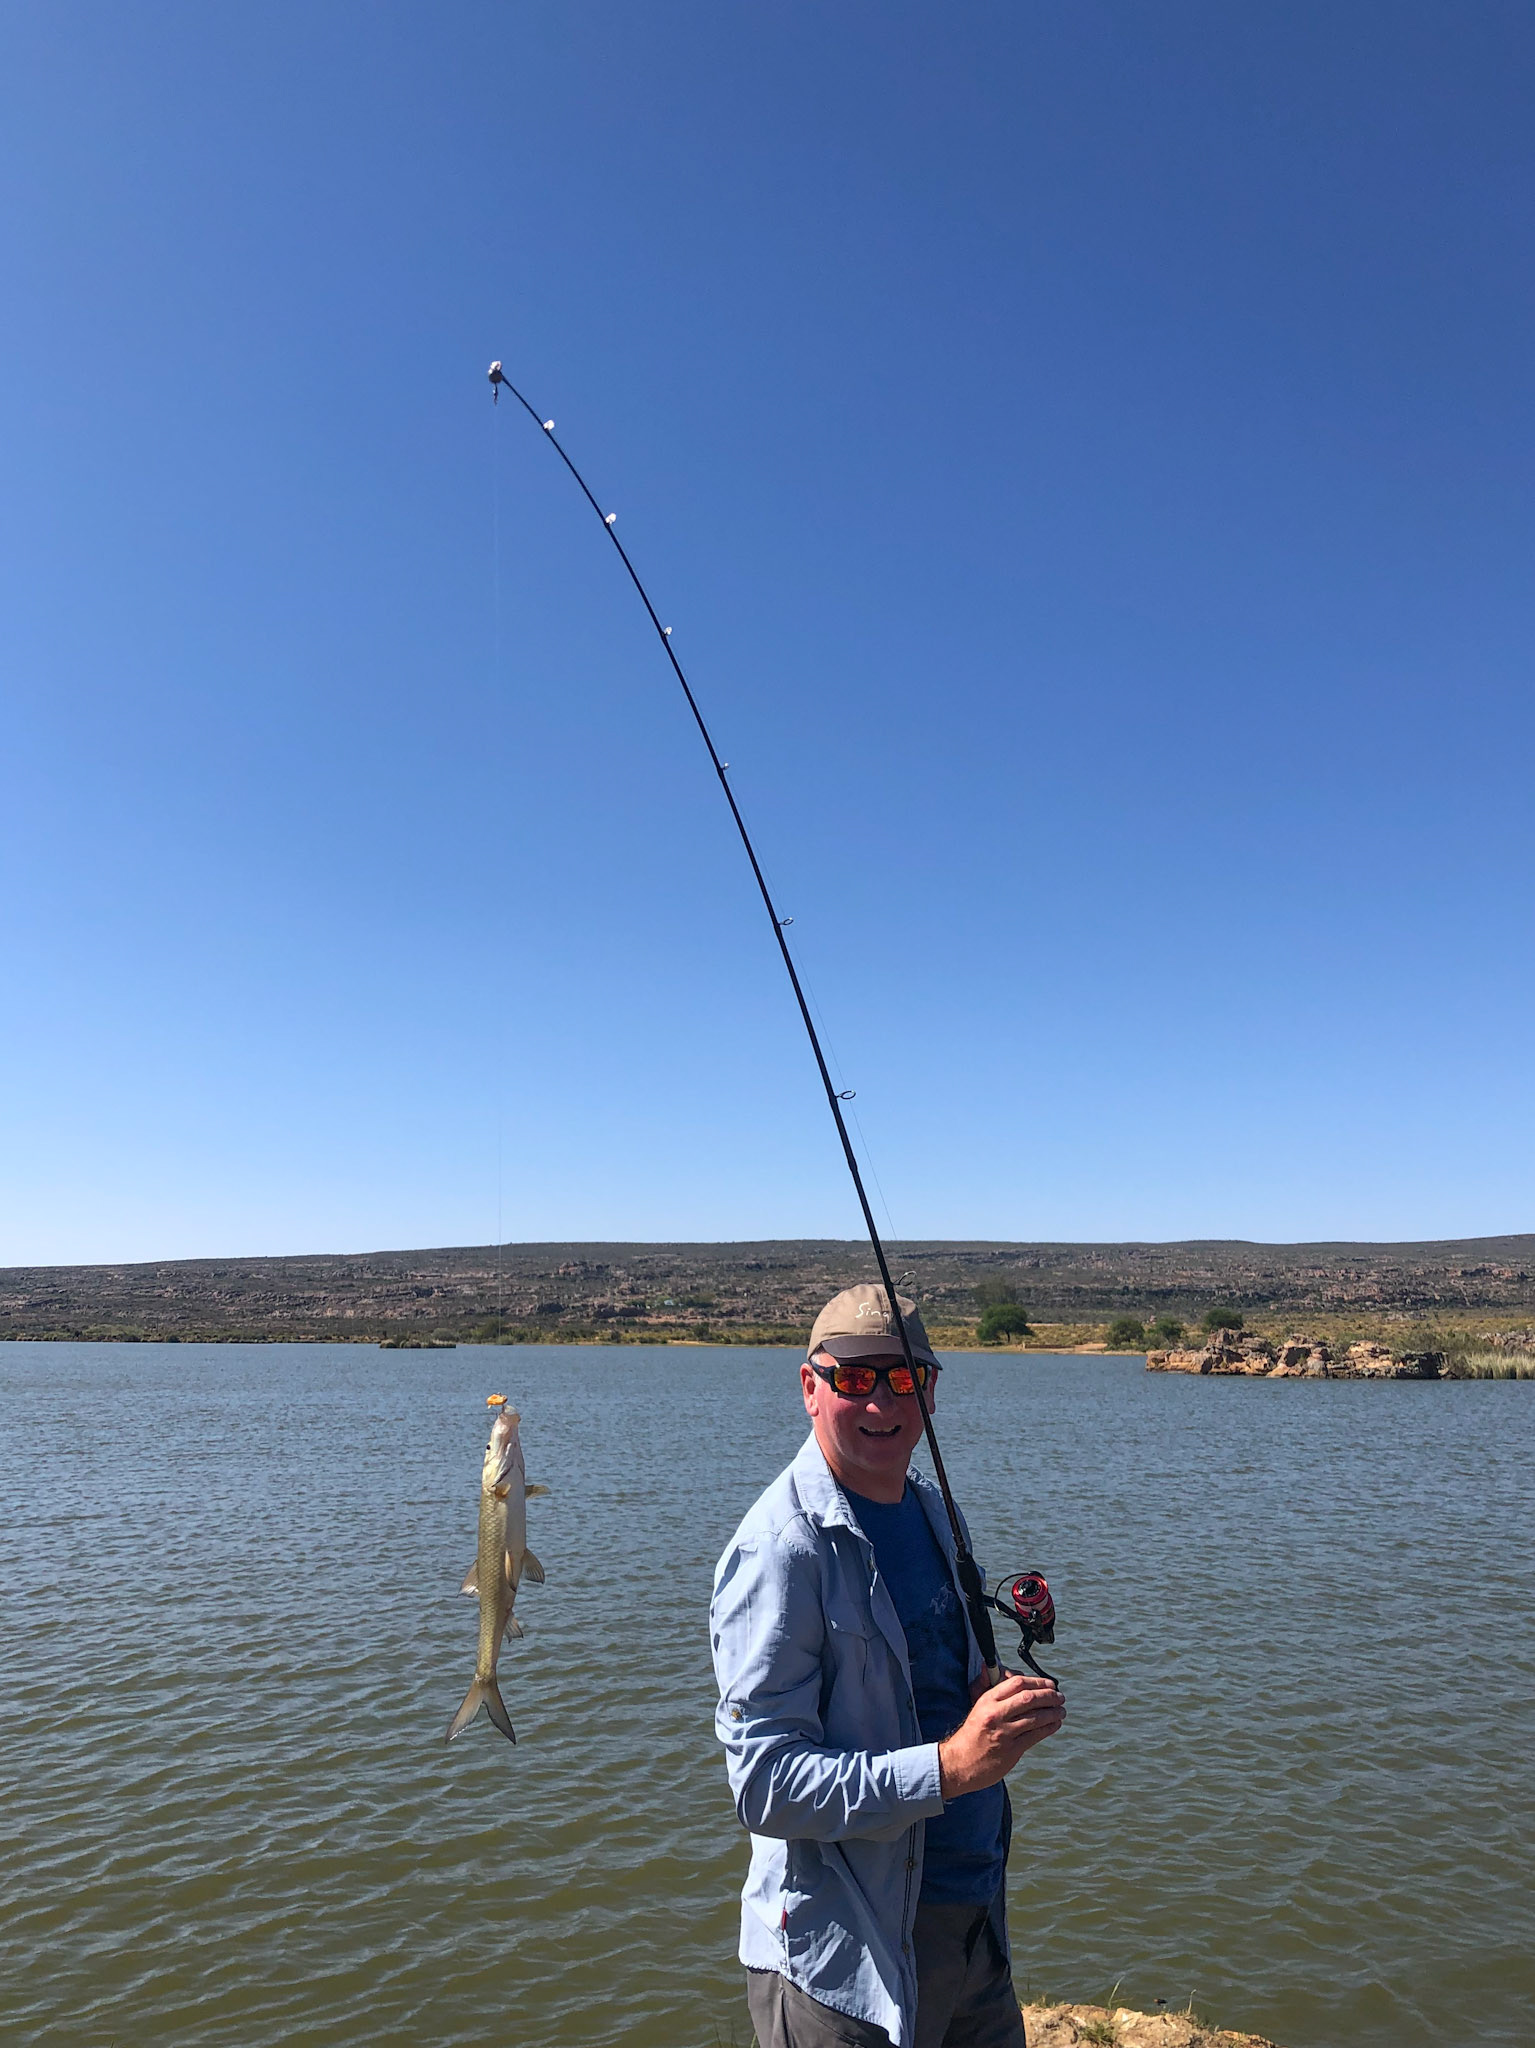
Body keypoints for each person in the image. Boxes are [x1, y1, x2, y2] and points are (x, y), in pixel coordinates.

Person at [710, 1283, 1065, 2048]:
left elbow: (932, 1677)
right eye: (853, 1378)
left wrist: (989, 1698)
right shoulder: (780, 1551)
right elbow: (764, 1788)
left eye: (902, 1377)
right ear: (810, 1387)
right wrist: (950, 1766)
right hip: (846, 1965)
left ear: (930, 1391)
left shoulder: (934, 1511)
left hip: (972, 1925)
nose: (879, 1401)